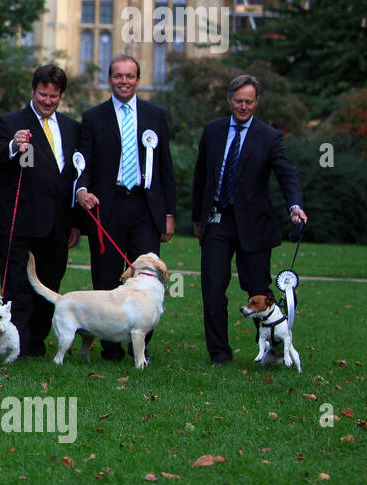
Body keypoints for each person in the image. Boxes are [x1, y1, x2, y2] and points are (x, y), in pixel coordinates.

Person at [192, 74, 307, 365]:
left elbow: (286, 173)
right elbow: (201, 177)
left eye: (249, 101)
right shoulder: (213, 131)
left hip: (254, 225)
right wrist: (198, 218)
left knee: (257, 289)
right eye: (239, 100)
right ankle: (219, 354)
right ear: (230, 100)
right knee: (213, 288)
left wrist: (294, 205)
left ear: (256, 102)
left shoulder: (269, 136)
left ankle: (271, 350)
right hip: (217, 220)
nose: (243, 106)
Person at [75, 54, 177, 362]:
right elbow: (83, 161)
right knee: (107, 276)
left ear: (138, 79)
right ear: (110, 79)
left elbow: (165, 167)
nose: (124, 81)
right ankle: (111, 347)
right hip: (107, 206)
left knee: (147, 276)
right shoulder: (93, 117)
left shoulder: (156, 116)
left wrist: (168, 213)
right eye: (118, 75)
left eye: (130, 76)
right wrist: (81, 190)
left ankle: (141, 347)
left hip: (146, 208)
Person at [0, 64, 80, 358]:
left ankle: (37, 343)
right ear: (33, 91)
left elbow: (75, 174)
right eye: (43, 94)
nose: (48, 101)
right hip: (19, 222)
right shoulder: (10, 122)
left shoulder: (71, 127)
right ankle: (18, 345)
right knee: (17, 287)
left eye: (54, 96)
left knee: (50, 285)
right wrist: (14, 147)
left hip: (57, 224)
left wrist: (75, 221)